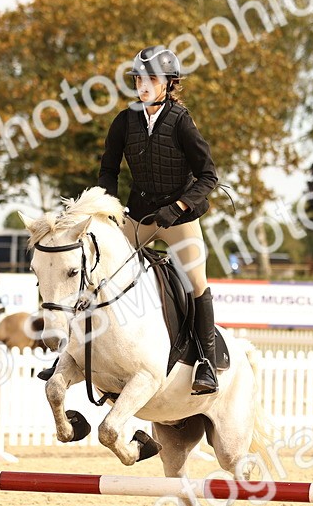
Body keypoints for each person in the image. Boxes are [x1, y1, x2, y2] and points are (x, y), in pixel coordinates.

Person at [38, 46, 221, 394]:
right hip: (139, 215)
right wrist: (108, 206)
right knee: (97, 269)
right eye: (140, 78)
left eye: (152, 79)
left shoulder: (181, 122)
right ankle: (71, 353)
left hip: (180, 217)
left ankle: (205, 363)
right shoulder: (125, 121)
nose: (144, 85)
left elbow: (208, 177)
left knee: (197, 281)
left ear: (169, 83)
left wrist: (178, 207)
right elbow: (108, 170)